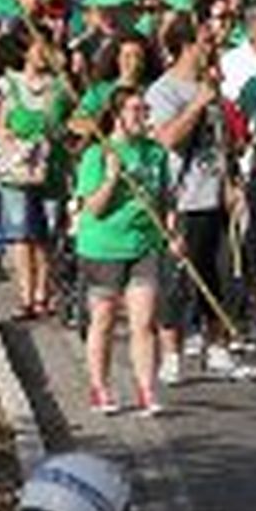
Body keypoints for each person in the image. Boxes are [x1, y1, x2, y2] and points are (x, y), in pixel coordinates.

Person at [145, 15, 256, 385]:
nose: (213, 48)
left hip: (218, 196)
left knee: (223, 275)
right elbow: (168, 139)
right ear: (186, 46)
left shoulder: (213, 87)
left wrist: (234, 180)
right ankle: (172, 353)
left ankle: (218, 346)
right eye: (206, 41)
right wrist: (197, 105)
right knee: (179, 279)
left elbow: (225, 143)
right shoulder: (163, 91)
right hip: (184, 197)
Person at [77, 87, 174, 417]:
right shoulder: (97, 153)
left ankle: (147, 390)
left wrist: (172, 231)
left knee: (144, 321)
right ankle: (100, 388)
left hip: (145, 245)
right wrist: (111, 178)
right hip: (103, 246)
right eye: (135, 110)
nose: (143, 116)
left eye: (145, 109)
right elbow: (93, 208)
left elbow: (165, 198)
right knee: (103, 319)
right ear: (117, 115)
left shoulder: (155, 153)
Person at [0, 34, 71, 321]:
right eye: (37, 46)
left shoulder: (61, 87)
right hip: (17, 168)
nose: (43, 53)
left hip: (52, 167)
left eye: (48, 47)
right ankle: (26, 296)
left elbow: (75, 121)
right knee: (20, 233)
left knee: (46, 233)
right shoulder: (8, 84)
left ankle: (43, 293)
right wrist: (7, 134)